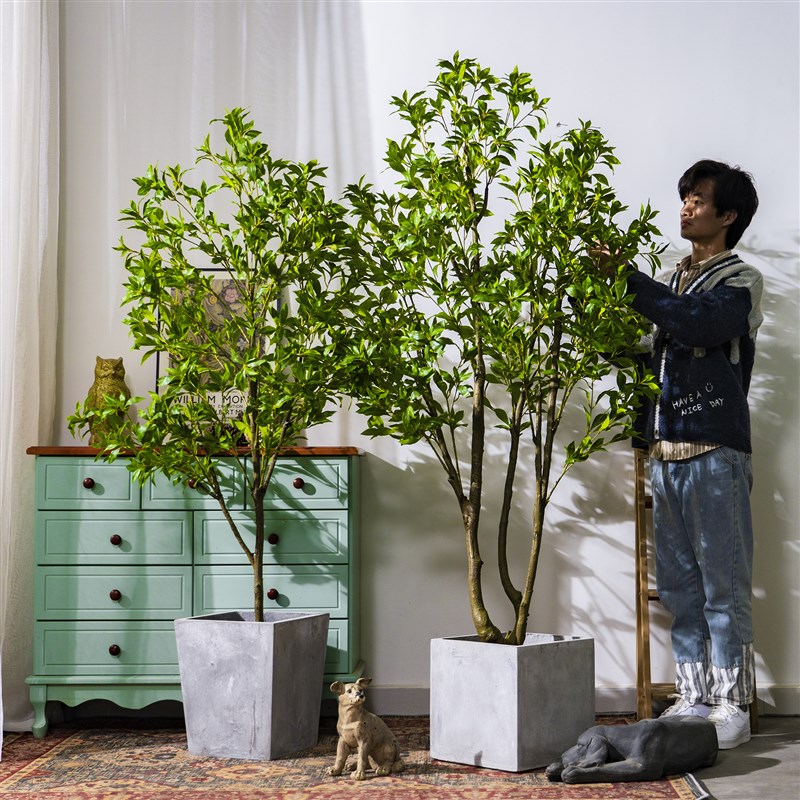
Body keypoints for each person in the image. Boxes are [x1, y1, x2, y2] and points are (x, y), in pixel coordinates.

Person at [599, 159, 763, 750]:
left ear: (728, 215)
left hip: (716, 450)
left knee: (724, 586)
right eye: (685, 197)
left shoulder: (740, 281)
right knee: (680, 588)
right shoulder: (668, 282)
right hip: (665, 452)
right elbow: (639, 348)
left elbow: (697, 325)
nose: (686, 206)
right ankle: (693, 696)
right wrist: (596, 304)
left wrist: (628, 280)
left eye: (699, 198)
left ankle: (732, 704)